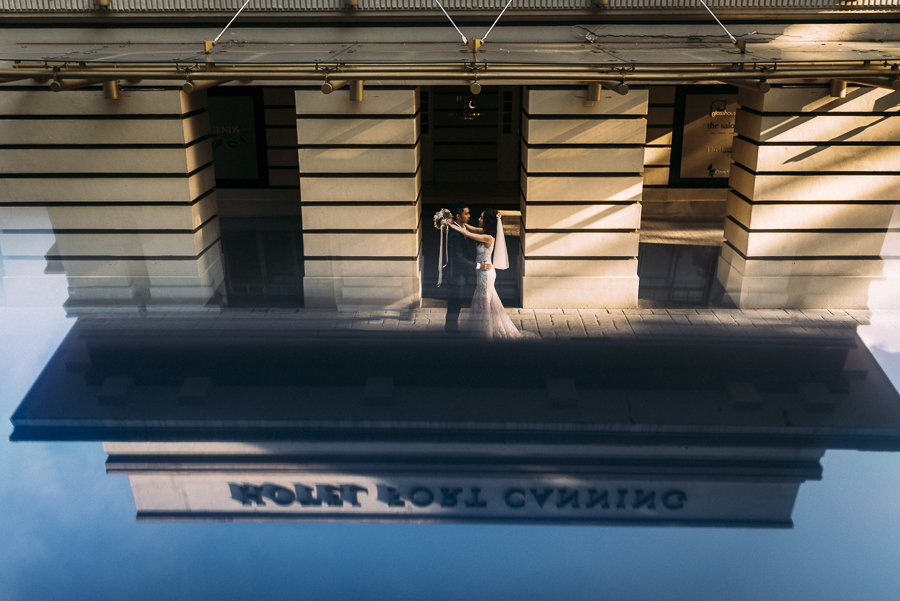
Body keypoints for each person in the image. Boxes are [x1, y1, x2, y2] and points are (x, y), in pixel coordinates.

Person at [447, 208, 529, 340]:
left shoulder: (487, 237)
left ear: (487, 221)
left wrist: (451, 225)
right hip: (482, 272)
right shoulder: (484, 231)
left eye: (481, 218)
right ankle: (485, 326)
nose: (478, 219)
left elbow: (467, 233)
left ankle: (487, 331)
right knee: (486, 299)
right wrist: (457, 221)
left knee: (484, 298)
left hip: (486, 273)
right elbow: (470, 228)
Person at [445, 202, 491, 333]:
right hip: (457, 275)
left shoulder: (463, 228)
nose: (470, 216)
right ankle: (451, 331)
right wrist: (477, 265)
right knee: (455, 301)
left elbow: (466, 249)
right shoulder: (455, 233)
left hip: (465, 273)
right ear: (458, 216)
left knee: (458, 301)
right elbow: (458, 258)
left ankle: (453, 329)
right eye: (466, 213)